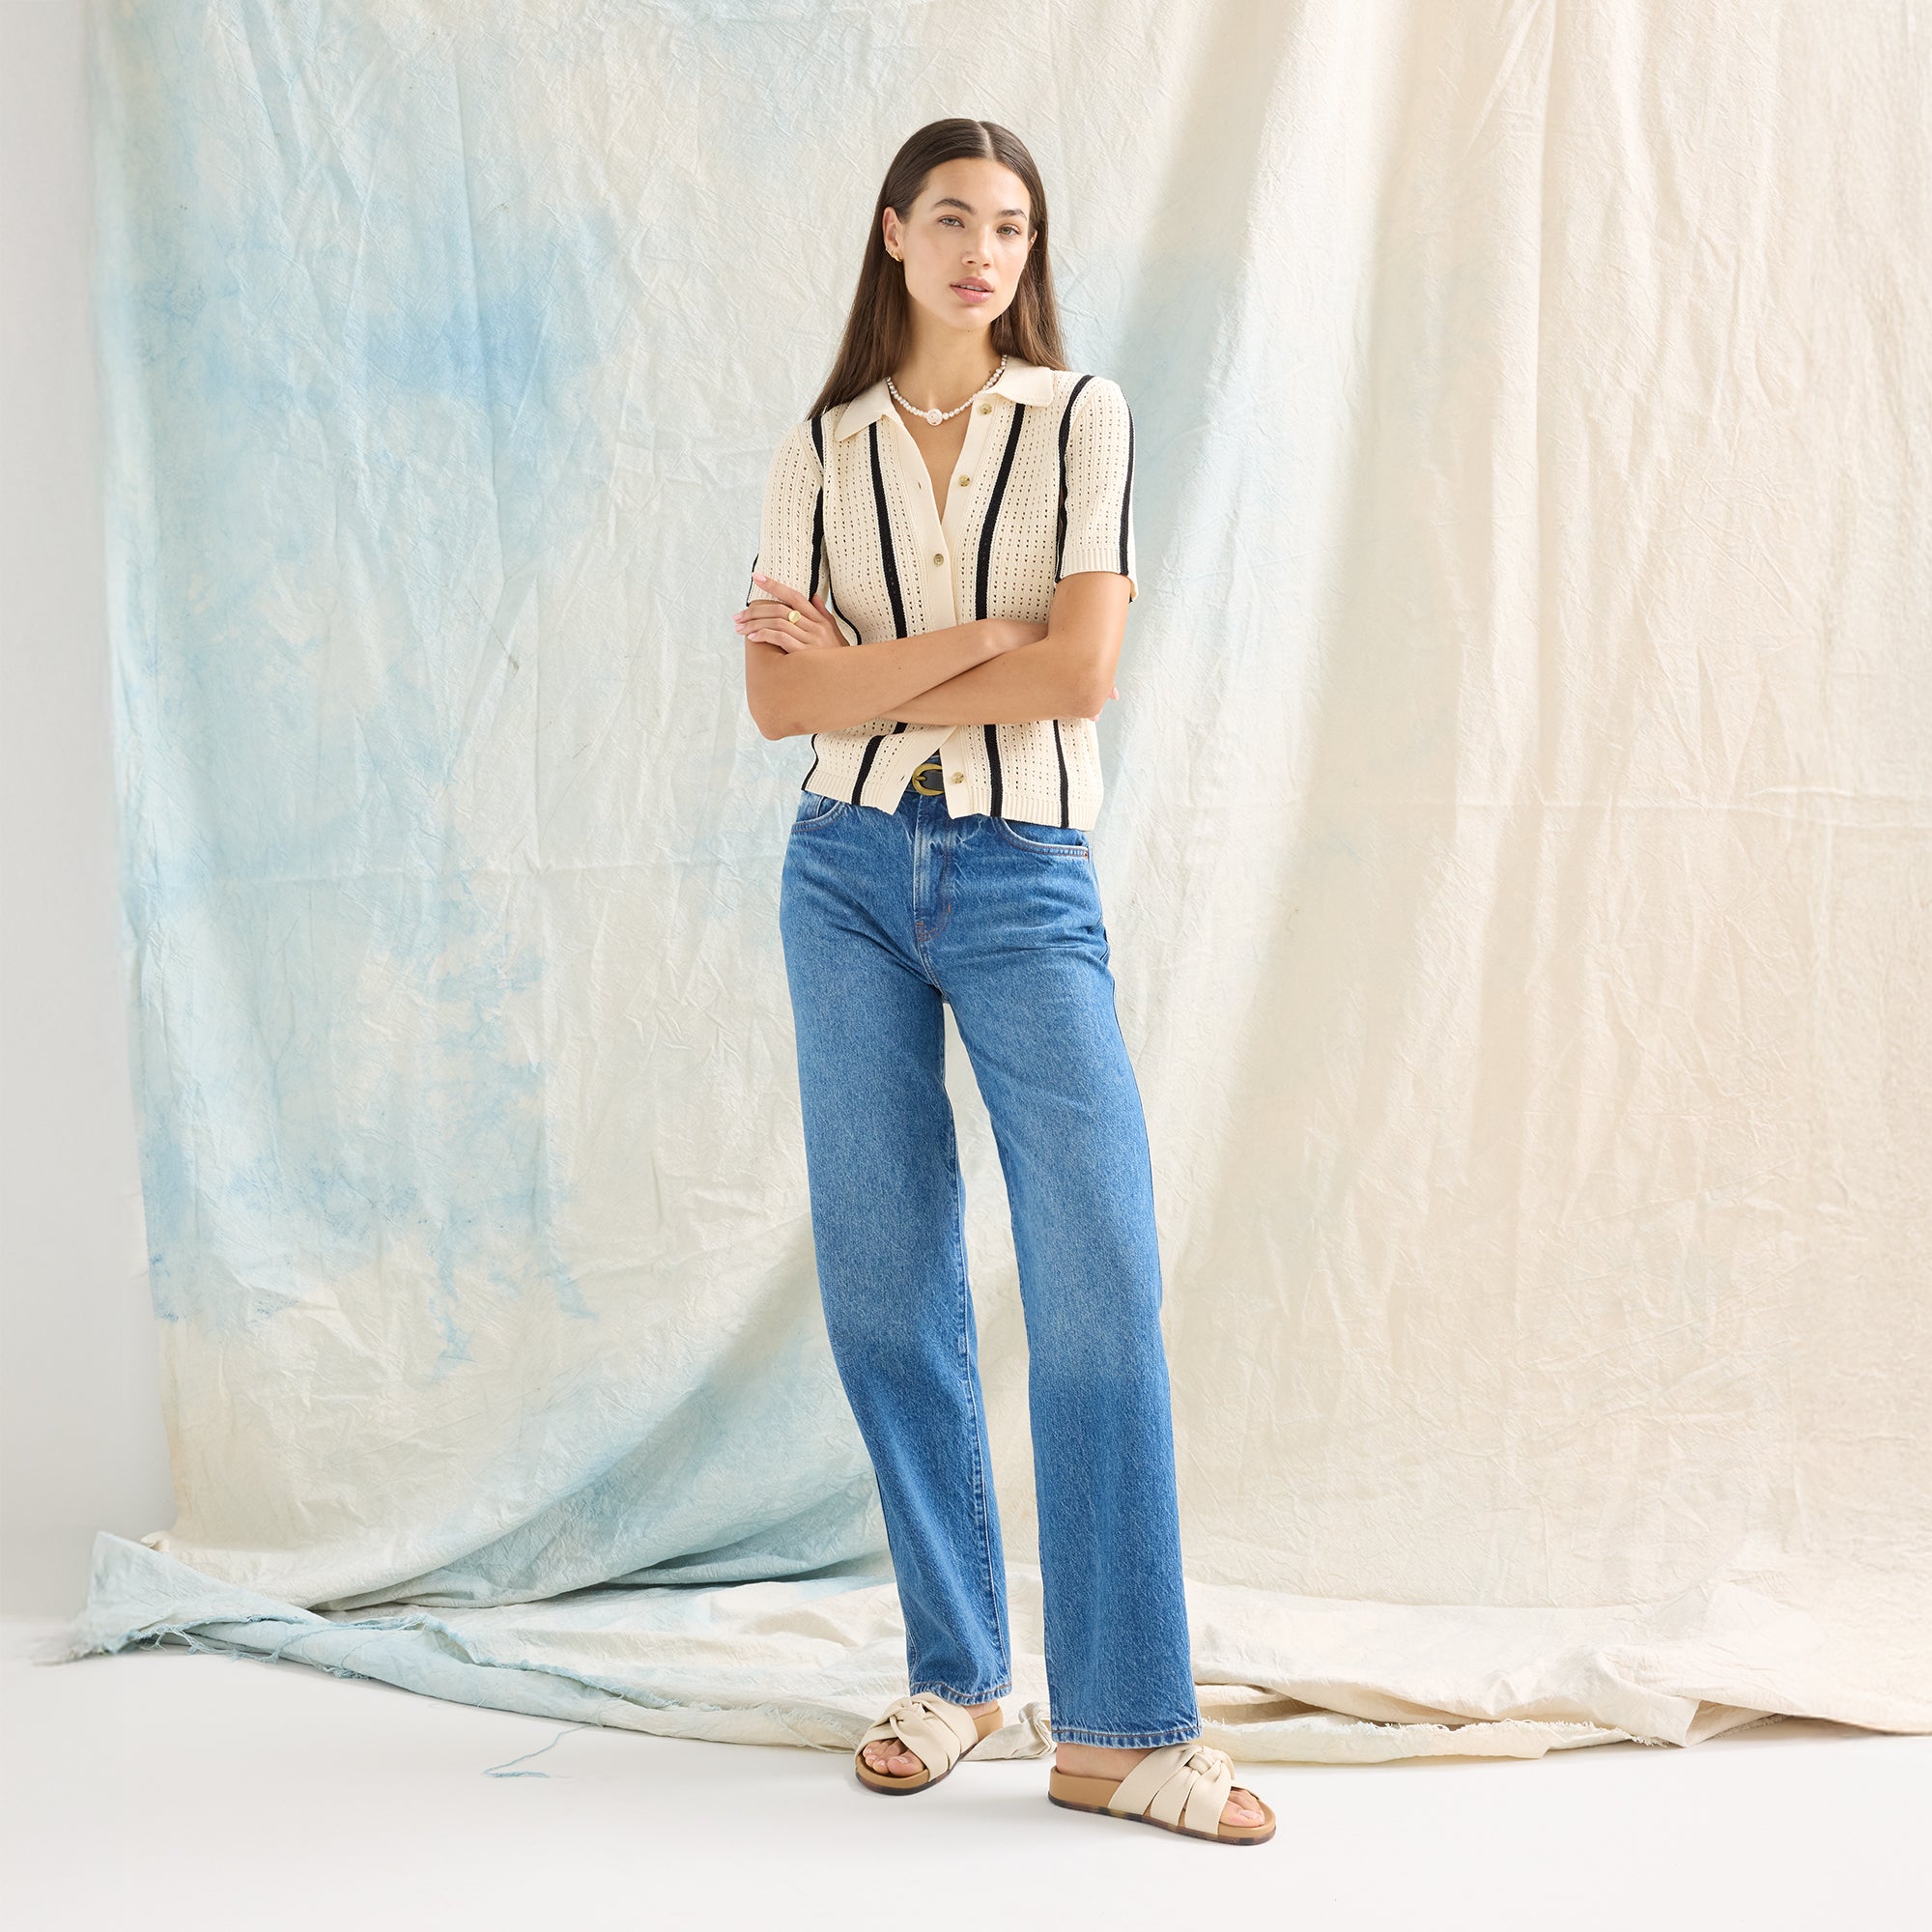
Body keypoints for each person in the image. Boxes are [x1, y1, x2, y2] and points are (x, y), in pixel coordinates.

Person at [735, 117, 1273, 1848]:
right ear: (893, 233)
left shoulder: (1080, 417)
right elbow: (779, 709)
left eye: (1015, 227)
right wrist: (983, 641)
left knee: (1096, 1271)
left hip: (1026, 876)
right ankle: (957, 1673)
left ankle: (1122, 1727)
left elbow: (1084, 673)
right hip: (842, 881)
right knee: (885, 1288)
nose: (987, 253)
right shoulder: (818, 450)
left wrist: (882, 669)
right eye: (955, 218)